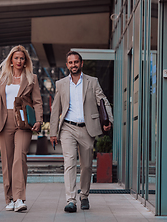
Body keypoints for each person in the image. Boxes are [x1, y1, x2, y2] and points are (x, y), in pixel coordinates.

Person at [0, 45, 43, 212]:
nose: (19, 61)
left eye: (22, 58)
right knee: (7, 161)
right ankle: (9, 199)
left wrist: (39, 120)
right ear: (11, 60)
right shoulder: (0, 77)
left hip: (23, 122)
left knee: (19, 158)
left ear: (26, 60)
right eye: (16, 58)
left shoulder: (32, 78)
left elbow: (37, 102)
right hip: (4, 120)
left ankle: (19, 198)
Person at [50, 51, 113, 213]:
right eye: (70, 62)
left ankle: (84, 196)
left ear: (81, 63)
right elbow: (56, 109)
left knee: (86, 166)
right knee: (69, 163)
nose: (73, 65)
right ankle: (71, 200)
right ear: (67, 65)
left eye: (76, 62)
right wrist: (53, 132)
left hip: (87, 128)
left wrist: (109, 120)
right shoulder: (61, 84)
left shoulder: (93, 82)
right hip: (67, 128)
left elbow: (103, 101)